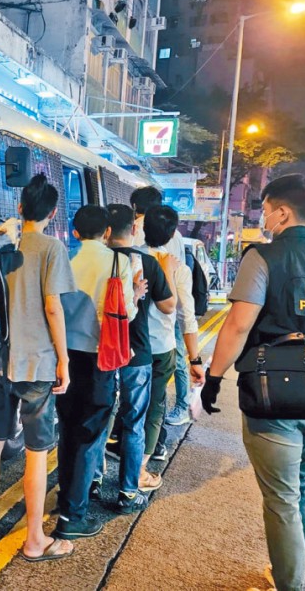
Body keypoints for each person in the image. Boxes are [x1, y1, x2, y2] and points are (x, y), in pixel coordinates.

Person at [201, 175, 305, 591]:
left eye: (266, 209)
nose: (264, 218)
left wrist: (213, 377)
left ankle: (290, 585)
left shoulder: (262, 258)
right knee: (303, 488)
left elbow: (239, 325)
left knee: (282, 500)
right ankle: (287, 575)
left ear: (282, 212)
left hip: (272, 395)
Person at [0, 175, 76, 561]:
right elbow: (53, 307)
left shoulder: (0, 246)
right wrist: (64, 360)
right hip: (37, 364)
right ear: (51, 213)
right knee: (36, 451)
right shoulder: (52, 248)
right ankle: (34, 539)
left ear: (19, 208)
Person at [55, 205, 140, 540]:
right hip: (100, 356)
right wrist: (138, 293)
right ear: (107, 232)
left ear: (75, 233)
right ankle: (73, 516)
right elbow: (126, 313)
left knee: (68, 431)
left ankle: (66, 500)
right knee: (90, 437)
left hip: (66, 357)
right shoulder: (118, 262)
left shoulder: (64, 262)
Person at [93, 203, 176, 514]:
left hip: (99, 353)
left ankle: (93, 482)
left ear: (106, 230)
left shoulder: (93, 259)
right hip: (137, 352)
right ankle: (128, 491)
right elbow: (168, 306)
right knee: (133, 423)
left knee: (100, 420)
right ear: (134, 229)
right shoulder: (148, 263)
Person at [138, 205, 204, 491]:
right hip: (160, 349)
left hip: (126, 346)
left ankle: (100, 471)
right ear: (173, 232)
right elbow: (185, 318)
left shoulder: (127, 257)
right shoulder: (176, 266)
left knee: (124, 407)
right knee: (153, 410)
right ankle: (139, 472)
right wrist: (195, 359)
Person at [130, 186, 194, 430]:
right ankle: (177, 409)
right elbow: (175, 302)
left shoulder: (137, 233)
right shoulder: (173, 238)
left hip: (143, 320)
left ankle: (138, 437)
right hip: (164, 321)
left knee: (137, 391)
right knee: (173, 364)